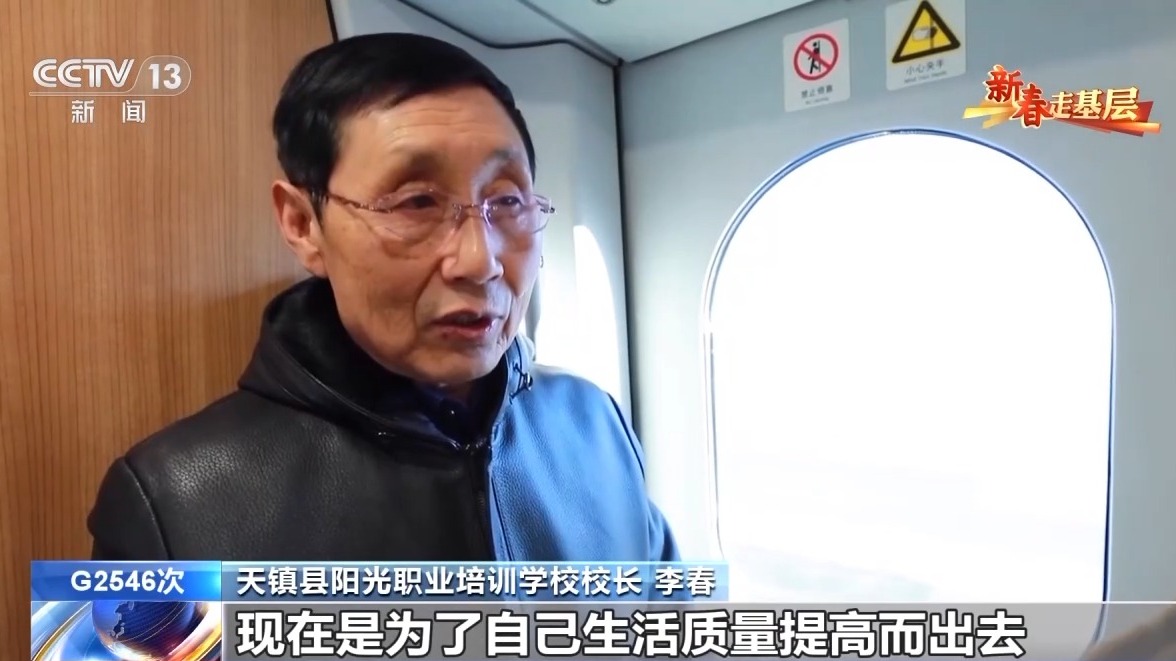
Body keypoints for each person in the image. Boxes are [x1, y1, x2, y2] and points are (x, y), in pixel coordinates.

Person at [86, 32, 680, 562]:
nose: (481, 262)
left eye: (507, 201)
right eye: (416, 203)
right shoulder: (167, 504)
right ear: (302, 224)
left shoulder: (596, 426)